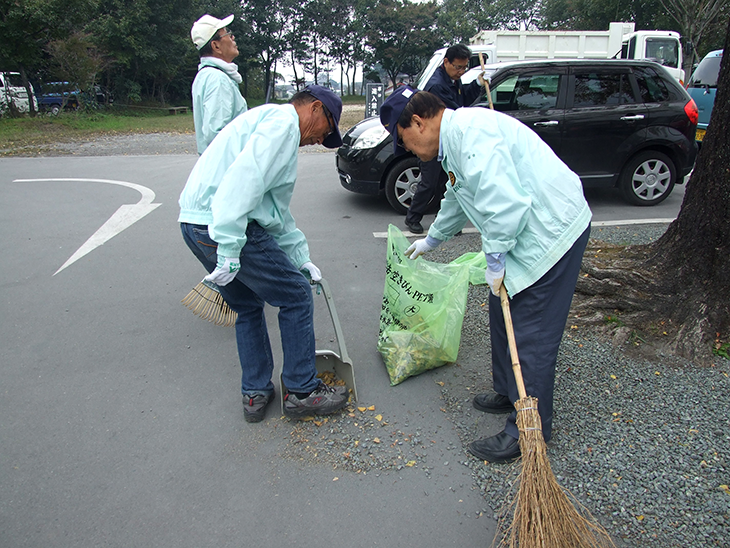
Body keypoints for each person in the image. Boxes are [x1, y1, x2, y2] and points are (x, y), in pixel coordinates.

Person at [380, 86, 591, 463]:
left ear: (418, 121)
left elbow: (505, 206)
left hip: (552, 232)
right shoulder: (454, 142)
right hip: (529, 229)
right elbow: (459, 196)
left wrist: (495, 260)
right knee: (501, 307)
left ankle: (528, 429)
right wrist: (433, 239)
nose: (407, 150)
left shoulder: (472, 134)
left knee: (531, 331)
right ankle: (509, 390)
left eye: (404, 140)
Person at [178, 85, 348, 423]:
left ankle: (255, 393)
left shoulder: (267, 122)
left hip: (193, 224)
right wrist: (228, 245)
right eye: (326, 129)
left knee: (247, 305)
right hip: (222, 225)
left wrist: (300, 257)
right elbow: (241, 184)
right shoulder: (282, 125)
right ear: (315, 109)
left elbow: (274, 211)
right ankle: (302, 391)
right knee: (297, 297)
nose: (321, 139)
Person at [405, 44, 483, 234]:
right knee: (429, 182)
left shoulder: (452, 80)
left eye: (464, 68)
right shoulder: (438, 85)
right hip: (433, 141)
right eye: (458, 67)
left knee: (447, 182)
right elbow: (456, 111)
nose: (461, 71)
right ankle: (412, 218)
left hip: (446, 141)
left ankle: (448, 225)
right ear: (446, 62)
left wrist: (478, 84)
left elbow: (463, 97)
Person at [190, 14, 248, 154]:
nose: (232, 38)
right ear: (216, 45)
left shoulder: (206, 75)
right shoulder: (217, 79)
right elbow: (216, 134)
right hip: (227, 169)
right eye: (228, 34)